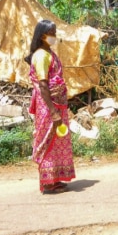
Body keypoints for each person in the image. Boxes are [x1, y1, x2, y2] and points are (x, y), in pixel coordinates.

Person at [25, 19, 75, 194]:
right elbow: (43, 84)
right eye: (52, 33)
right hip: (48, 106)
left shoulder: (50, 53)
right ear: (42, 36)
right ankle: (47, 181)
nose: (54, 36)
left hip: (57, 104)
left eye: (55, 33)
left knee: (57, 141)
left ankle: (54, 177)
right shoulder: (41, 56)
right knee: (48, 140)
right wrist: (53, 112)